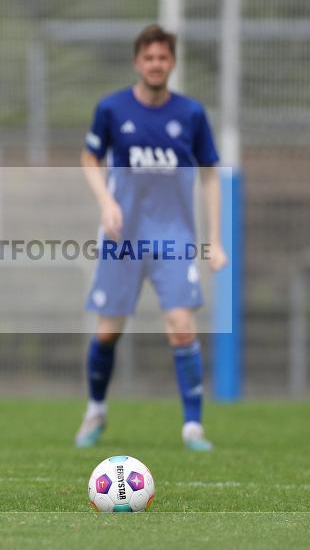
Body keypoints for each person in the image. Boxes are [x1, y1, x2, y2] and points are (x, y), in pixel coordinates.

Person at [75, 24, 228, 451]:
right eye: (149, 58)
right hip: (122, 238)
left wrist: (215, 239)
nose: (156, 64)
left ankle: (193, 426)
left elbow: (210, 175)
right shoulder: (112, 108)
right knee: (108, 332)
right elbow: (89, 157)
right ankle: (96, 410)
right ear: (137, 62)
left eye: (163, 58)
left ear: (172, 63)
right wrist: (106, 201)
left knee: (181, 325)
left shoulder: (191, 114)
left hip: (173, 237)